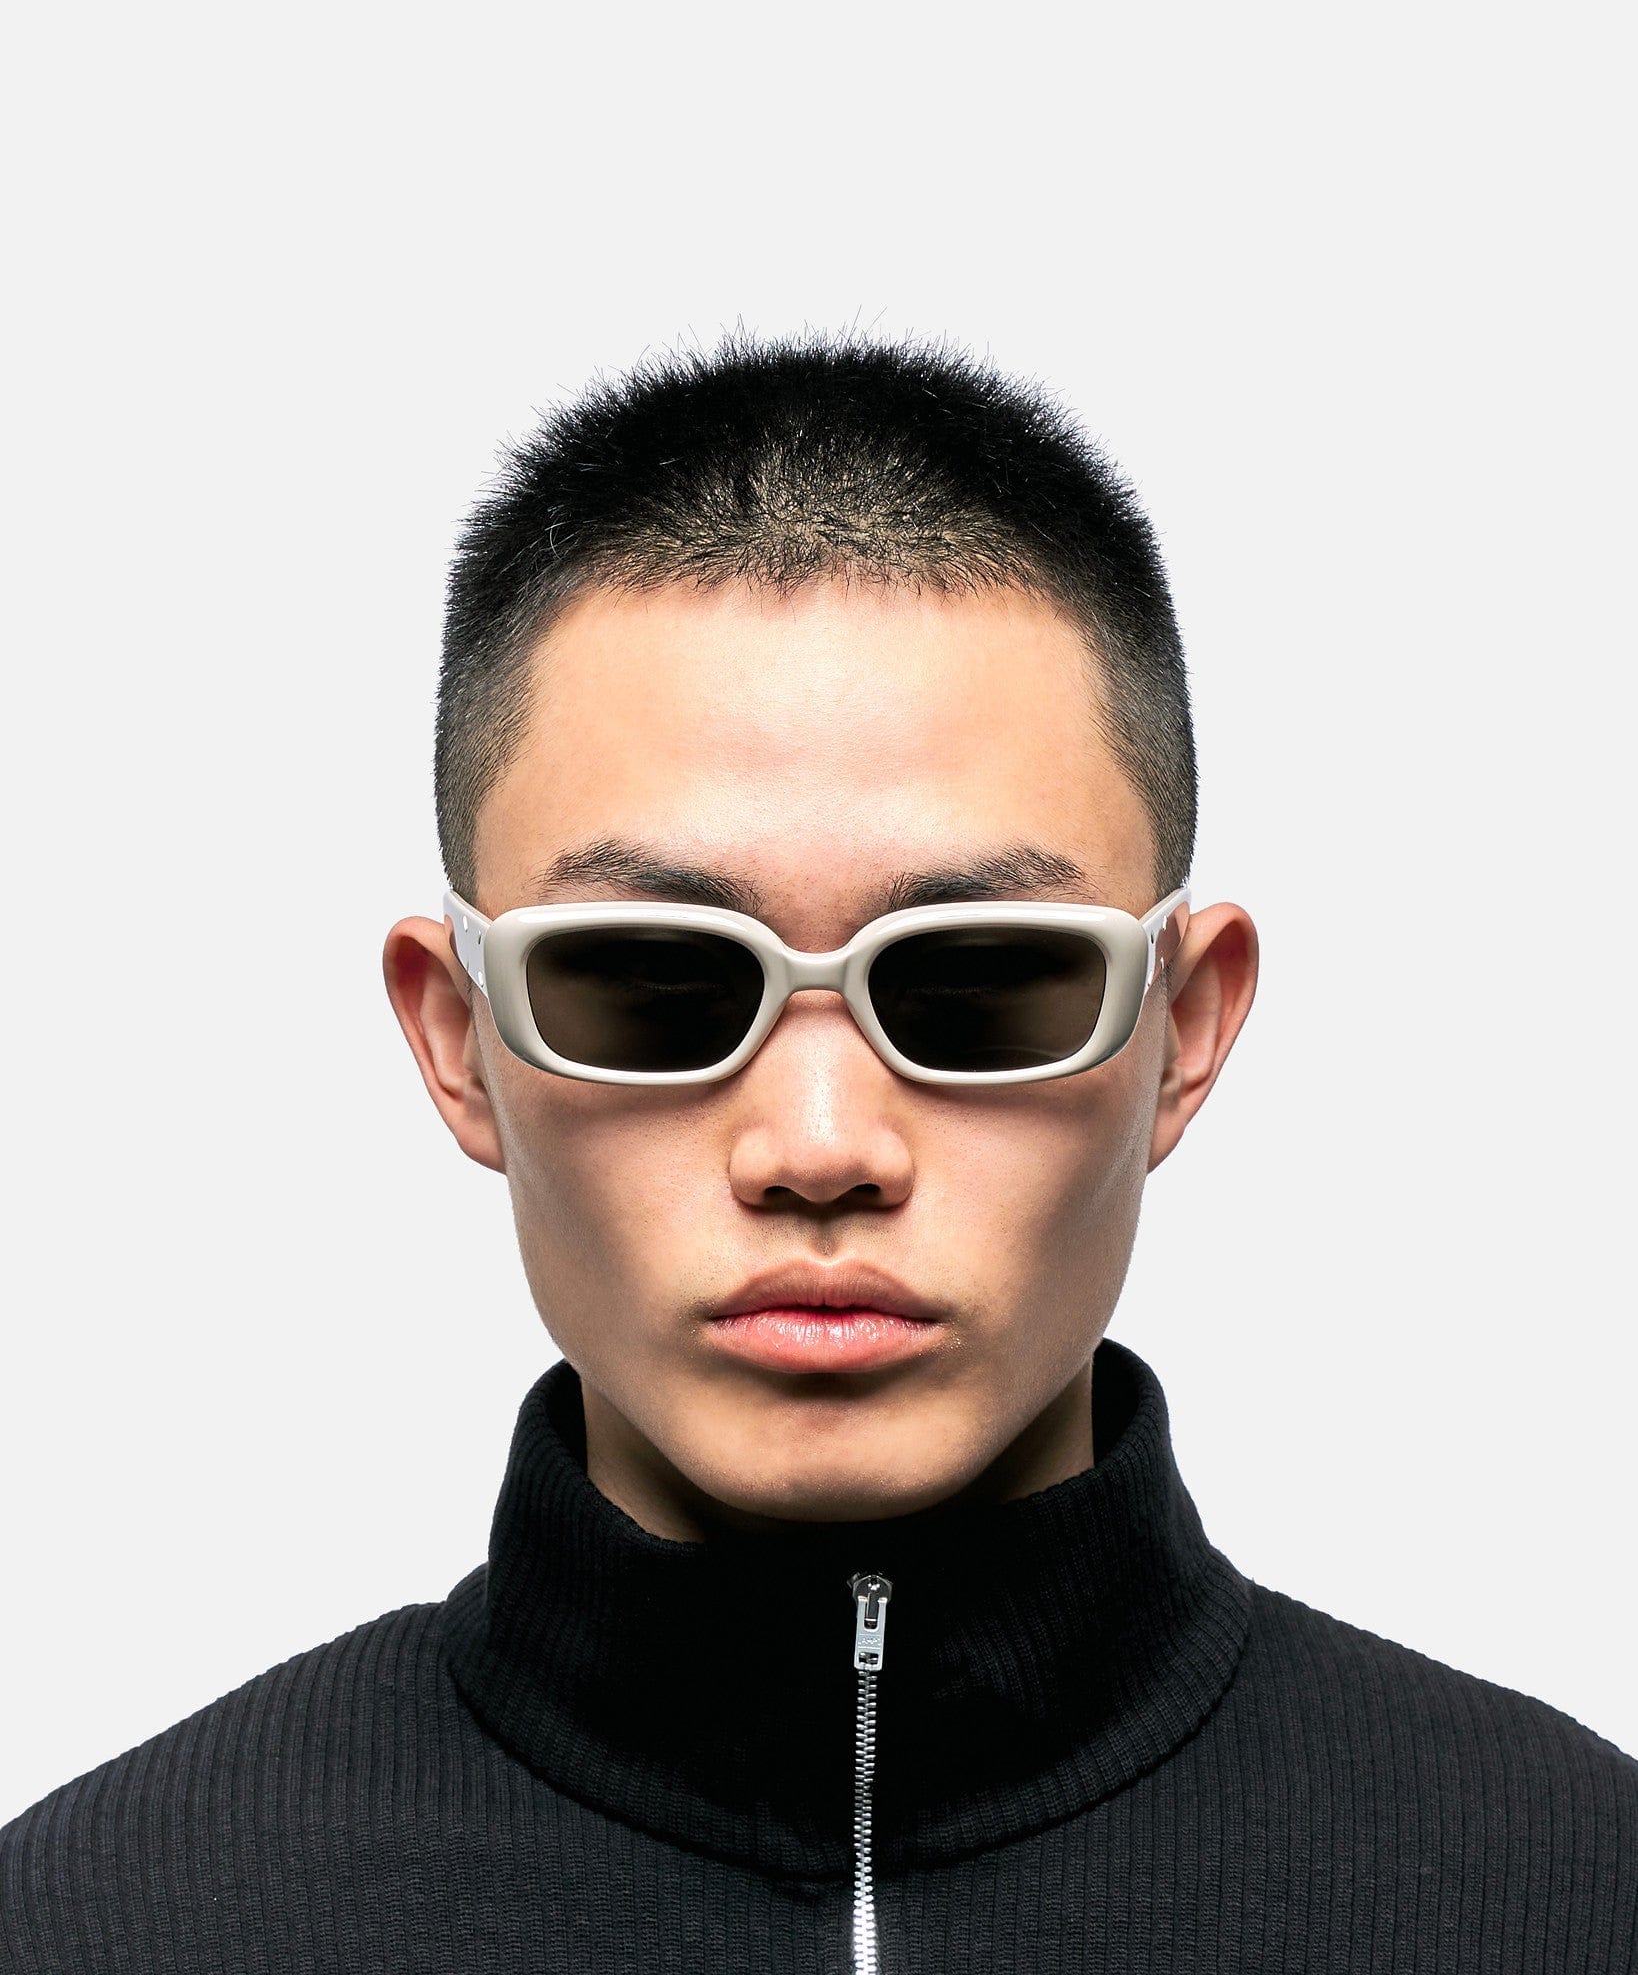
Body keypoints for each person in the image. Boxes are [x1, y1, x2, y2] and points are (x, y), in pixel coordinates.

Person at [4, 334, 1633, 1974]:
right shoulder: (95, 1924)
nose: (820, 1147)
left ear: (1184, 1028)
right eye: (651, 985)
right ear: (456, 1038)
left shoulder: (1574, 1894)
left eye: (981, 983)